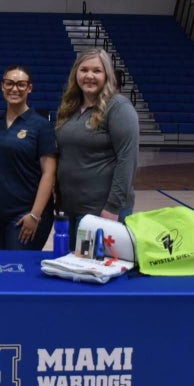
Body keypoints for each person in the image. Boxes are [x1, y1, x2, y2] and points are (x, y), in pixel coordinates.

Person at [55, 48, 140, 247]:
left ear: (107, 75)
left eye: (97, 71)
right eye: (84, 70)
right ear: (75, 73)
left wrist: (112, 207)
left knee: (96, 265)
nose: (89, 76)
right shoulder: (70, 108)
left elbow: (127, 160)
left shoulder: (118, 107)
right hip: (70, 209)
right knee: (71, 263)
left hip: (102, 212)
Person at [0, 65, 58, 250]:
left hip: (25, 214)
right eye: (9, 83)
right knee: (0, 265)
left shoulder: (41, 126)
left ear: (29, 88)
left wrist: (35, 215)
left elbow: (49, 173)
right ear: (2, 86)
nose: (14, 89)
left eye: (21, 84)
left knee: (19, 266)